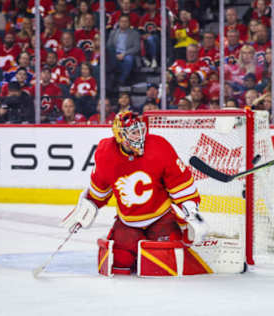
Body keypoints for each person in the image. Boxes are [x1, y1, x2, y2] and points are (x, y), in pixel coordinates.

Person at [61, 111, 208, 275]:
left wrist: (191, 210)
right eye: (133, 132)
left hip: (161, 217)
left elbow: (179, 182)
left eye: (140, 130)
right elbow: (99, 191)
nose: (139, 136)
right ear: (120, 136)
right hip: (128, 222)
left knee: (163, 263)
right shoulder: (105, 153)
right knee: (119, 263)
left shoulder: (159, 146)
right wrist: (88, 207)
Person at [106, 14, 140, 88]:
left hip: (127, 53)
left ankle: (121, 81)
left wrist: (124, 54)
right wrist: (114, 54)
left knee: (128, 60)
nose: (123, 23)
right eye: (122, 21)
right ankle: (111, 82)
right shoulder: (113, 33)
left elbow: (136, 48)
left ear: (129, 23)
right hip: (115, 53)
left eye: (126, 21)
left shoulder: (135, 34)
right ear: (119, 22)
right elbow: (109, 46)